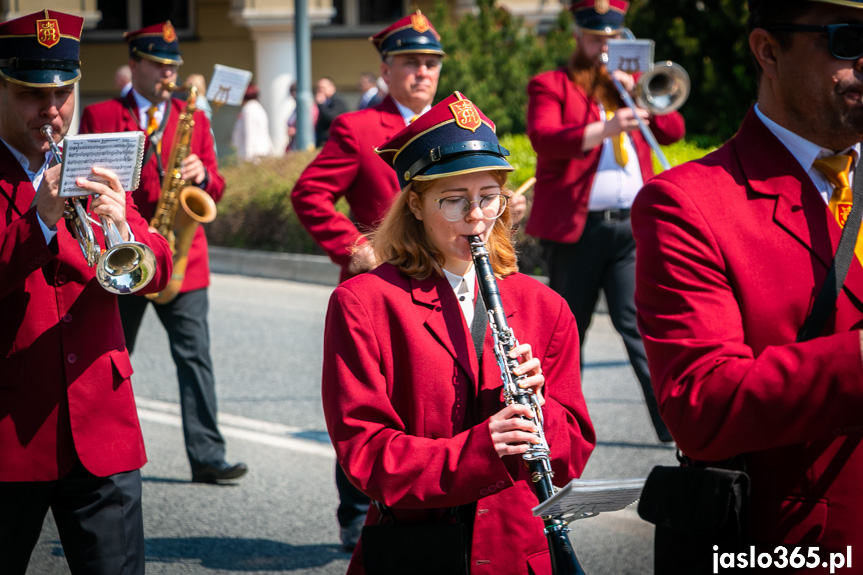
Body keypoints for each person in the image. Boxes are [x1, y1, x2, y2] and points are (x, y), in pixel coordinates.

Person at [322, 91, 595, 575]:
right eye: (453, 200)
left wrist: (541, 407)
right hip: (416, 552)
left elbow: (571, 454)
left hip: (519, 554)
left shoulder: (545, 306)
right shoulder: (364, 304)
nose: (476, 217)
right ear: (416, 205)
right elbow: (365, 456)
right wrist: (480, 450)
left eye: (489, 197)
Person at [632, 0, 863, 559]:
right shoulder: (688, 205)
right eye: (848, 39)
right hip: (813, 547)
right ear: (767, 51)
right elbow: (701, 405)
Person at [0, 10, 173, 574]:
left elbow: (158, 266)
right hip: (10, 432)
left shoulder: (93, 161)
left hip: (103, 428)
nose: (52, 111)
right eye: (31, 94)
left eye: (64, 93)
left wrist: (122, 227)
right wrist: (40, 222)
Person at [292, 11, 447, 550]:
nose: (422, 72)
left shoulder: (458, 123)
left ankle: (442, 499)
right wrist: (353, 245)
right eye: (411, 63)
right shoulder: (357, 128)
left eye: (431, 63)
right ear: (387, 68)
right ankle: (357, 508)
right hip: (380, 288)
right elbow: (308, 194)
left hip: (449, 284)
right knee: (367, 399)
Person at [79, 21, 247, 484]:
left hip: (183, 258)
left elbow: (217, 183)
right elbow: (90, 186)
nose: (167, 75)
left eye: (173, 66)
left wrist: (201, 174)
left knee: (195, 358)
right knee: (111, 356)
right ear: (134, 64)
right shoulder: (103, 115)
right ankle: (101, 451)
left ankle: (208, 456)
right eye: (158, 65)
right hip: (127, 255)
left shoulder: (191, 115)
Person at [525, 0, 684, 443]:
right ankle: (558, 429)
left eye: (612, 40)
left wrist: (639, 92)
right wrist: (608, 128)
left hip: (630, 230)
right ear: (577, 36)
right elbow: (545, 139)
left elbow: (673, 130)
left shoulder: (629, 87)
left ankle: (673, 428)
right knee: (568, 331)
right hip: (577, 230)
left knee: (640, 327)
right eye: (595, 38)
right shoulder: (552, 84)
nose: (602, 48)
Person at [232, 83, 275, 161]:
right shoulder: (257, 107)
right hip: (262, 150)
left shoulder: (248, 109)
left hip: (255, 154)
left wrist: (248, 155)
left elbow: (250, 133)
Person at [314, 76, 349, 147]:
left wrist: (321, 105)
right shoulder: (326, 101)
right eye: (318, 88)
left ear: (332, 87)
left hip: (332, 141)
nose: (320, 91)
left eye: (322, 88)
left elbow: (332, 117)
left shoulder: (338, 100)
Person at [286, 82, 318, 152]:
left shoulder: (310, 107)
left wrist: (296, 131)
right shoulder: (296, 108)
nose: (293, 96)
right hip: (294, 143)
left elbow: (310, 124)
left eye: (294, 92)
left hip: (307, 143)